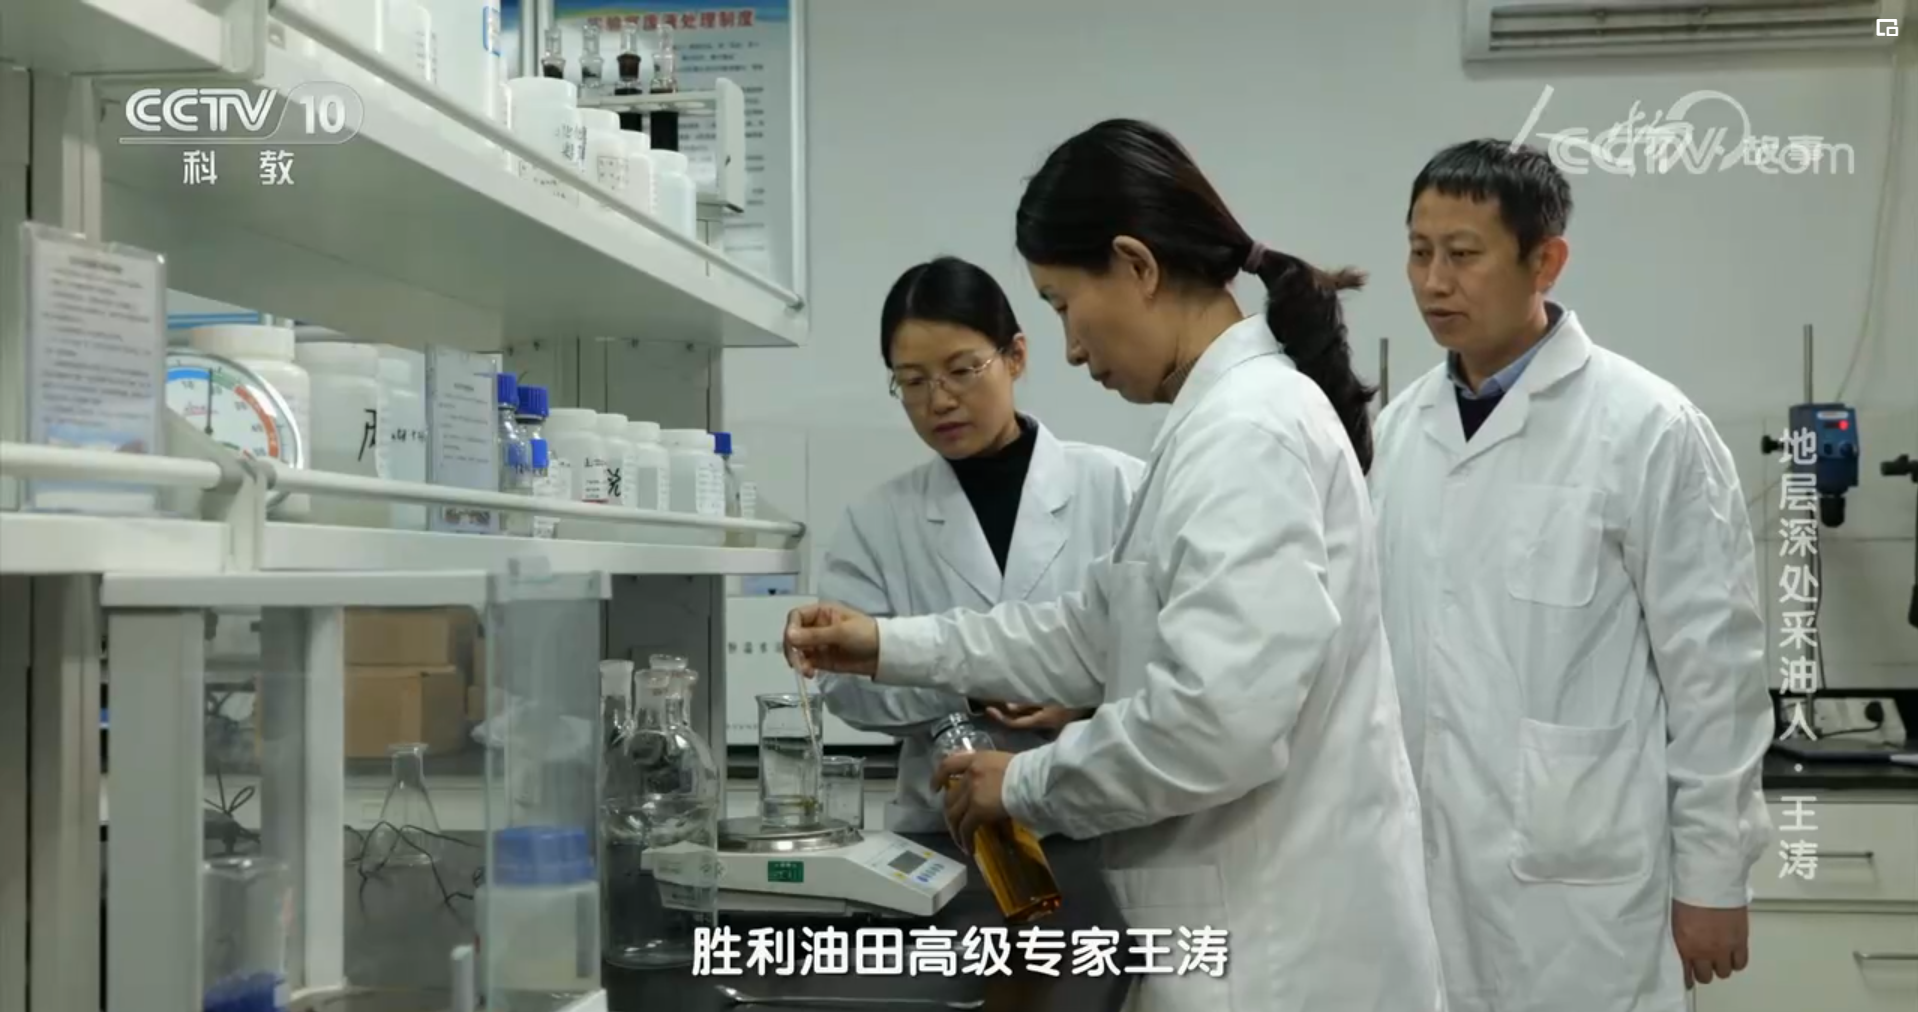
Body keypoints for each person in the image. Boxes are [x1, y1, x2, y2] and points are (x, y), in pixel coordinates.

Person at [788, 119, 1444, 1012]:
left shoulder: (1246, 432)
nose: (1069, 346)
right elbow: (1093, 630)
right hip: (1235, 929)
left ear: (1136, 266)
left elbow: (1216, 724)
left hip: (1277, 952)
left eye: (1061, 303)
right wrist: (886, 646)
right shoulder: (1214, 425)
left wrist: (1024, 783)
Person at [1372, 138, 1772, 1011]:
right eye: (1419, 251)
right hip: (1423, 879)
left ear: (1545, 261)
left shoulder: (1647, 427)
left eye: (1463, 254)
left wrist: (1715, 874)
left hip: (1584, 892)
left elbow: (1715, 673)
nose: (1434, 282)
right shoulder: (1397, 435)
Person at [816, 255, 1145, 833]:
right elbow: (845, 689)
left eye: (962, 370)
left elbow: (1169, 655)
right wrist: (969, 692)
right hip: (947, 829)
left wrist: (1085, 696)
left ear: (1015, 356)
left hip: (1097, 821)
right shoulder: (877, 520)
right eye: (912, 381)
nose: (939, 400)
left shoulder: (1120, 487)